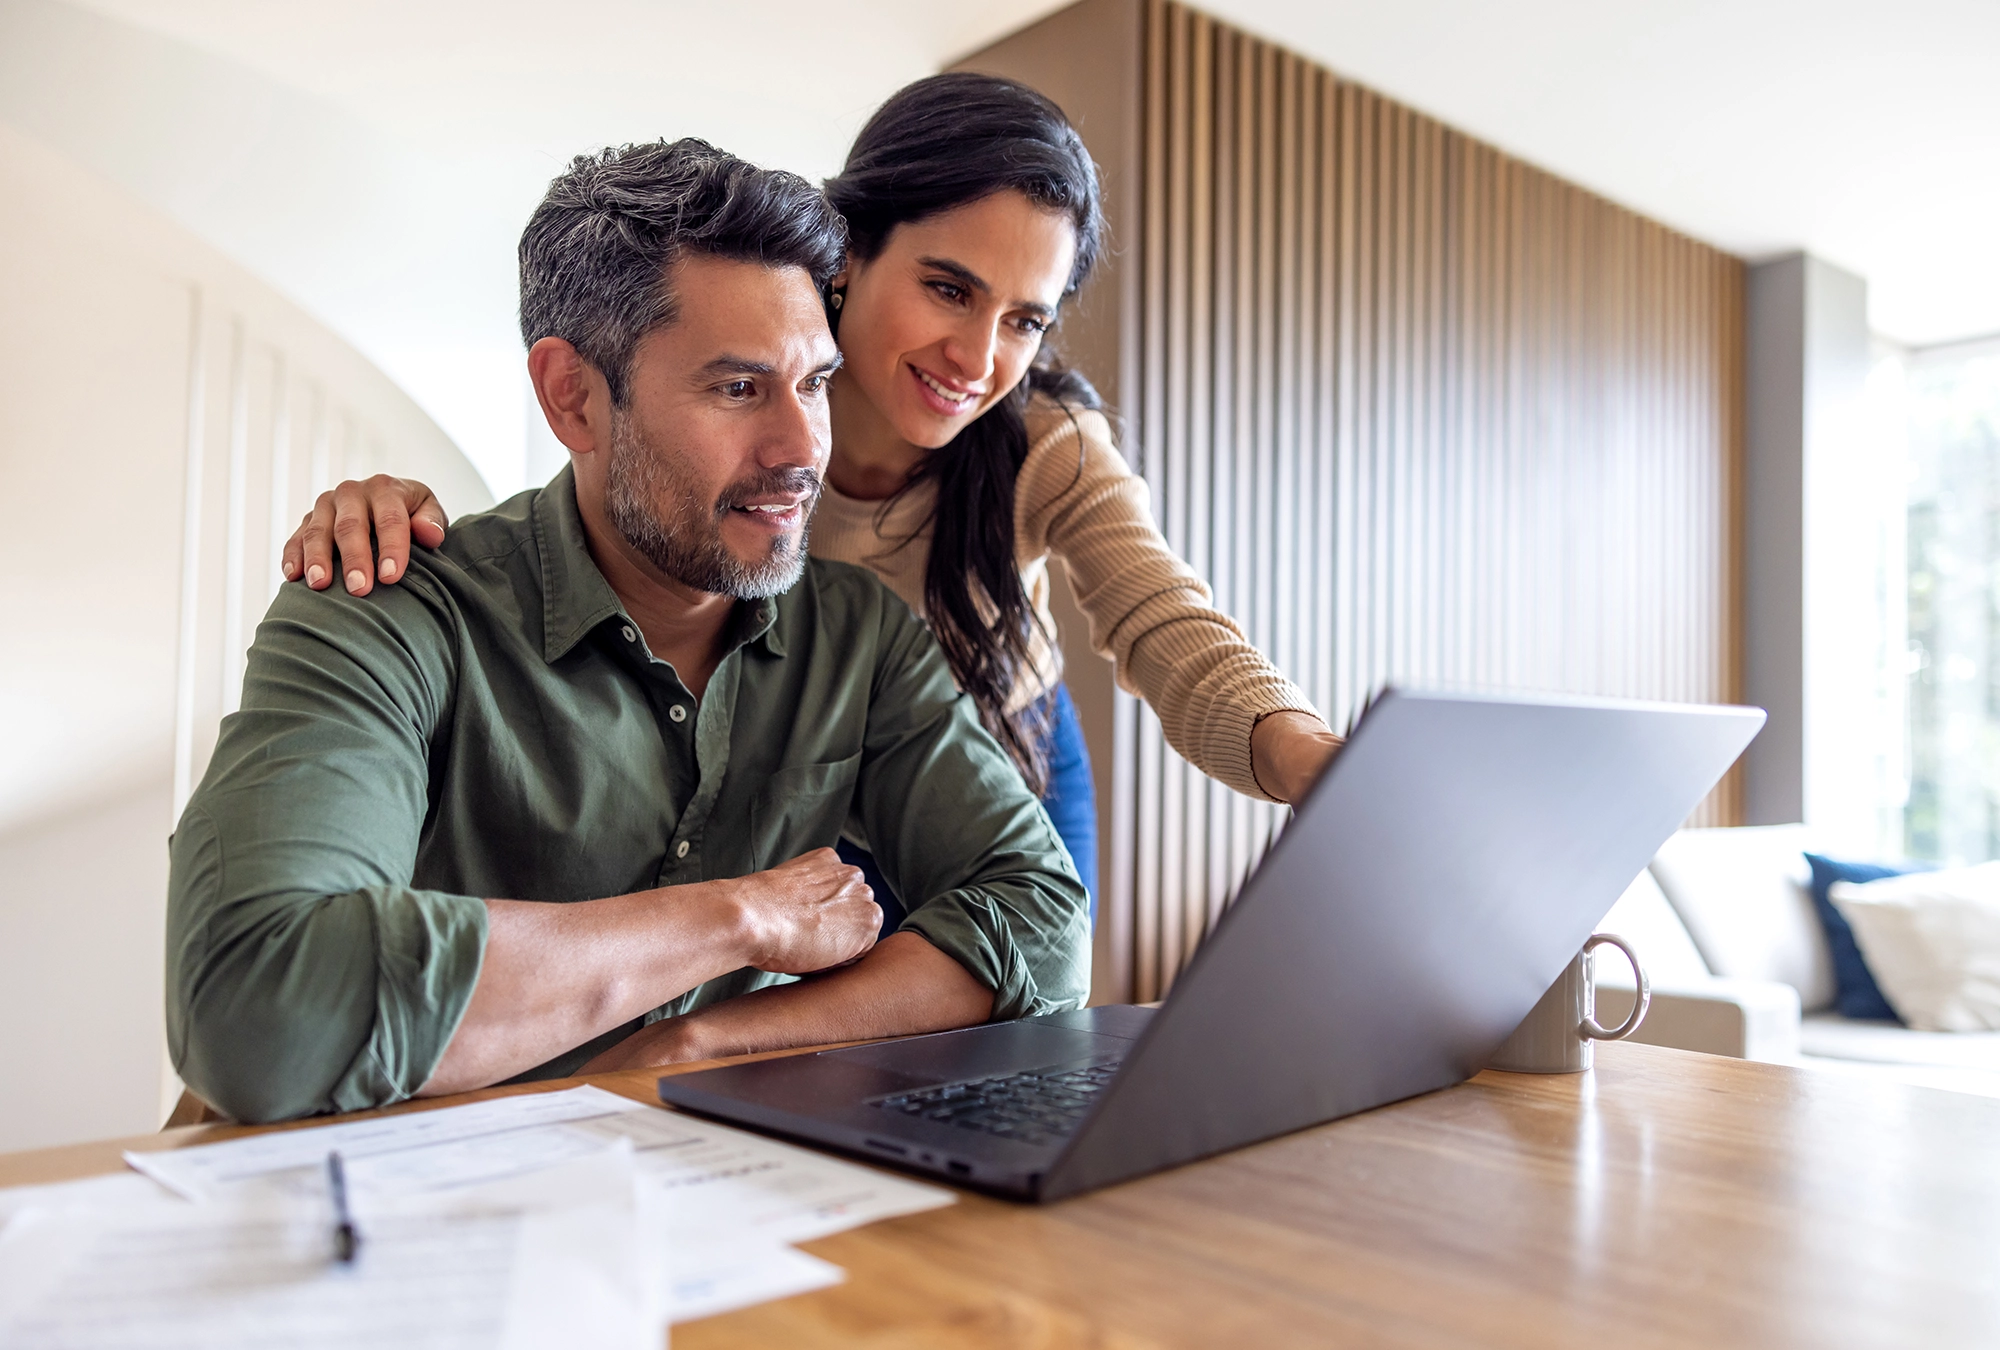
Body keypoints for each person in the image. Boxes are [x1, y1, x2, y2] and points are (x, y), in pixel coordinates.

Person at [166, 138, 1089, 1125]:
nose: (799, 448)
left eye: (813, 384)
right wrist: (736, 918)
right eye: (737, 389)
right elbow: (258, 1007)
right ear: (573, 396)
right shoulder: (382, 606)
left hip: (692, 1206)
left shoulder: (859, 639)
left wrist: (697, 1044)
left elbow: (1042, 926)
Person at [282, 74, 1345, 919]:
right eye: (947, 288)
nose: (977, 357)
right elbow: (617, 496)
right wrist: (392, 510)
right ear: (846, 258)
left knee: (1019, 1026)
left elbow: (1163, 617)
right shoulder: (745, 414)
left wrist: (1311, 761)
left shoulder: (1042, 444)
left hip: (1000, 742)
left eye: (1024, 319)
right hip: (805, 765)